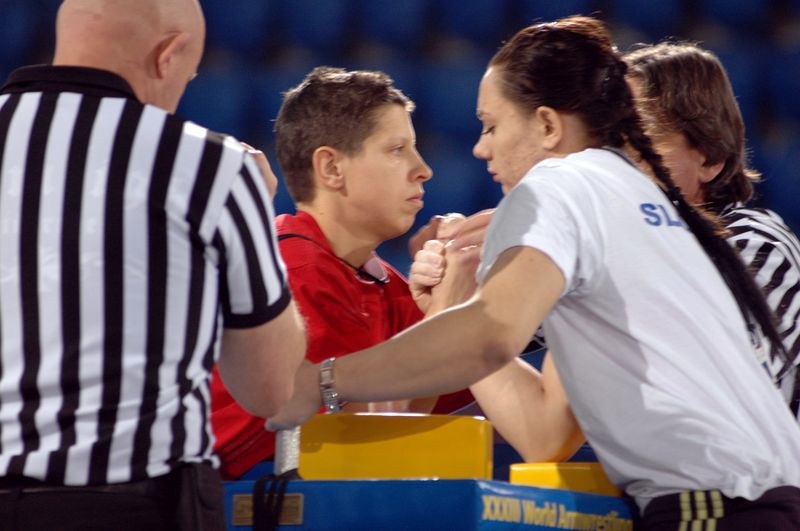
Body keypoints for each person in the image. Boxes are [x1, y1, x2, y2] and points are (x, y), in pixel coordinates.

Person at [268, 16, 800, 529]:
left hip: (712, 503)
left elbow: (490, 335)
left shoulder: (556, 187)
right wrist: (456, 305)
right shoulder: (640, 198)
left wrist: (323, 380)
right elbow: (545, 431)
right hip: (761, 498)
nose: (480, 147)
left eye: (491, 125)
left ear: (547, 125)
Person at [0, 0, 306, 528]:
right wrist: (253, 228)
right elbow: (269, 387)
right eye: (187, 79)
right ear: (170, 55)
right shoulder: (209, 165)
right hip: (129, 504)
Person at [209, 66, 480, 479]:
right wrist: (446, 308)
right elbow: (376, 432)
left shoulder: (378, 278)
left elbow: (472, 389)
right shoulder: (294, 271)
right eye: (397, 149)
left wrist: (460, 300)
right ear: (332, 168)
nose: (423, 169)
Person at [624, 42, 800, 418]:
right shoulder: (610, 245)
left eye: (644, 146)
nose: (620, 168)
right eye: (611, 148)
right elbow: (492, 352)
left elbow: (723, 399)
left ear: (710, 159)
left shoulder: (758, 245)